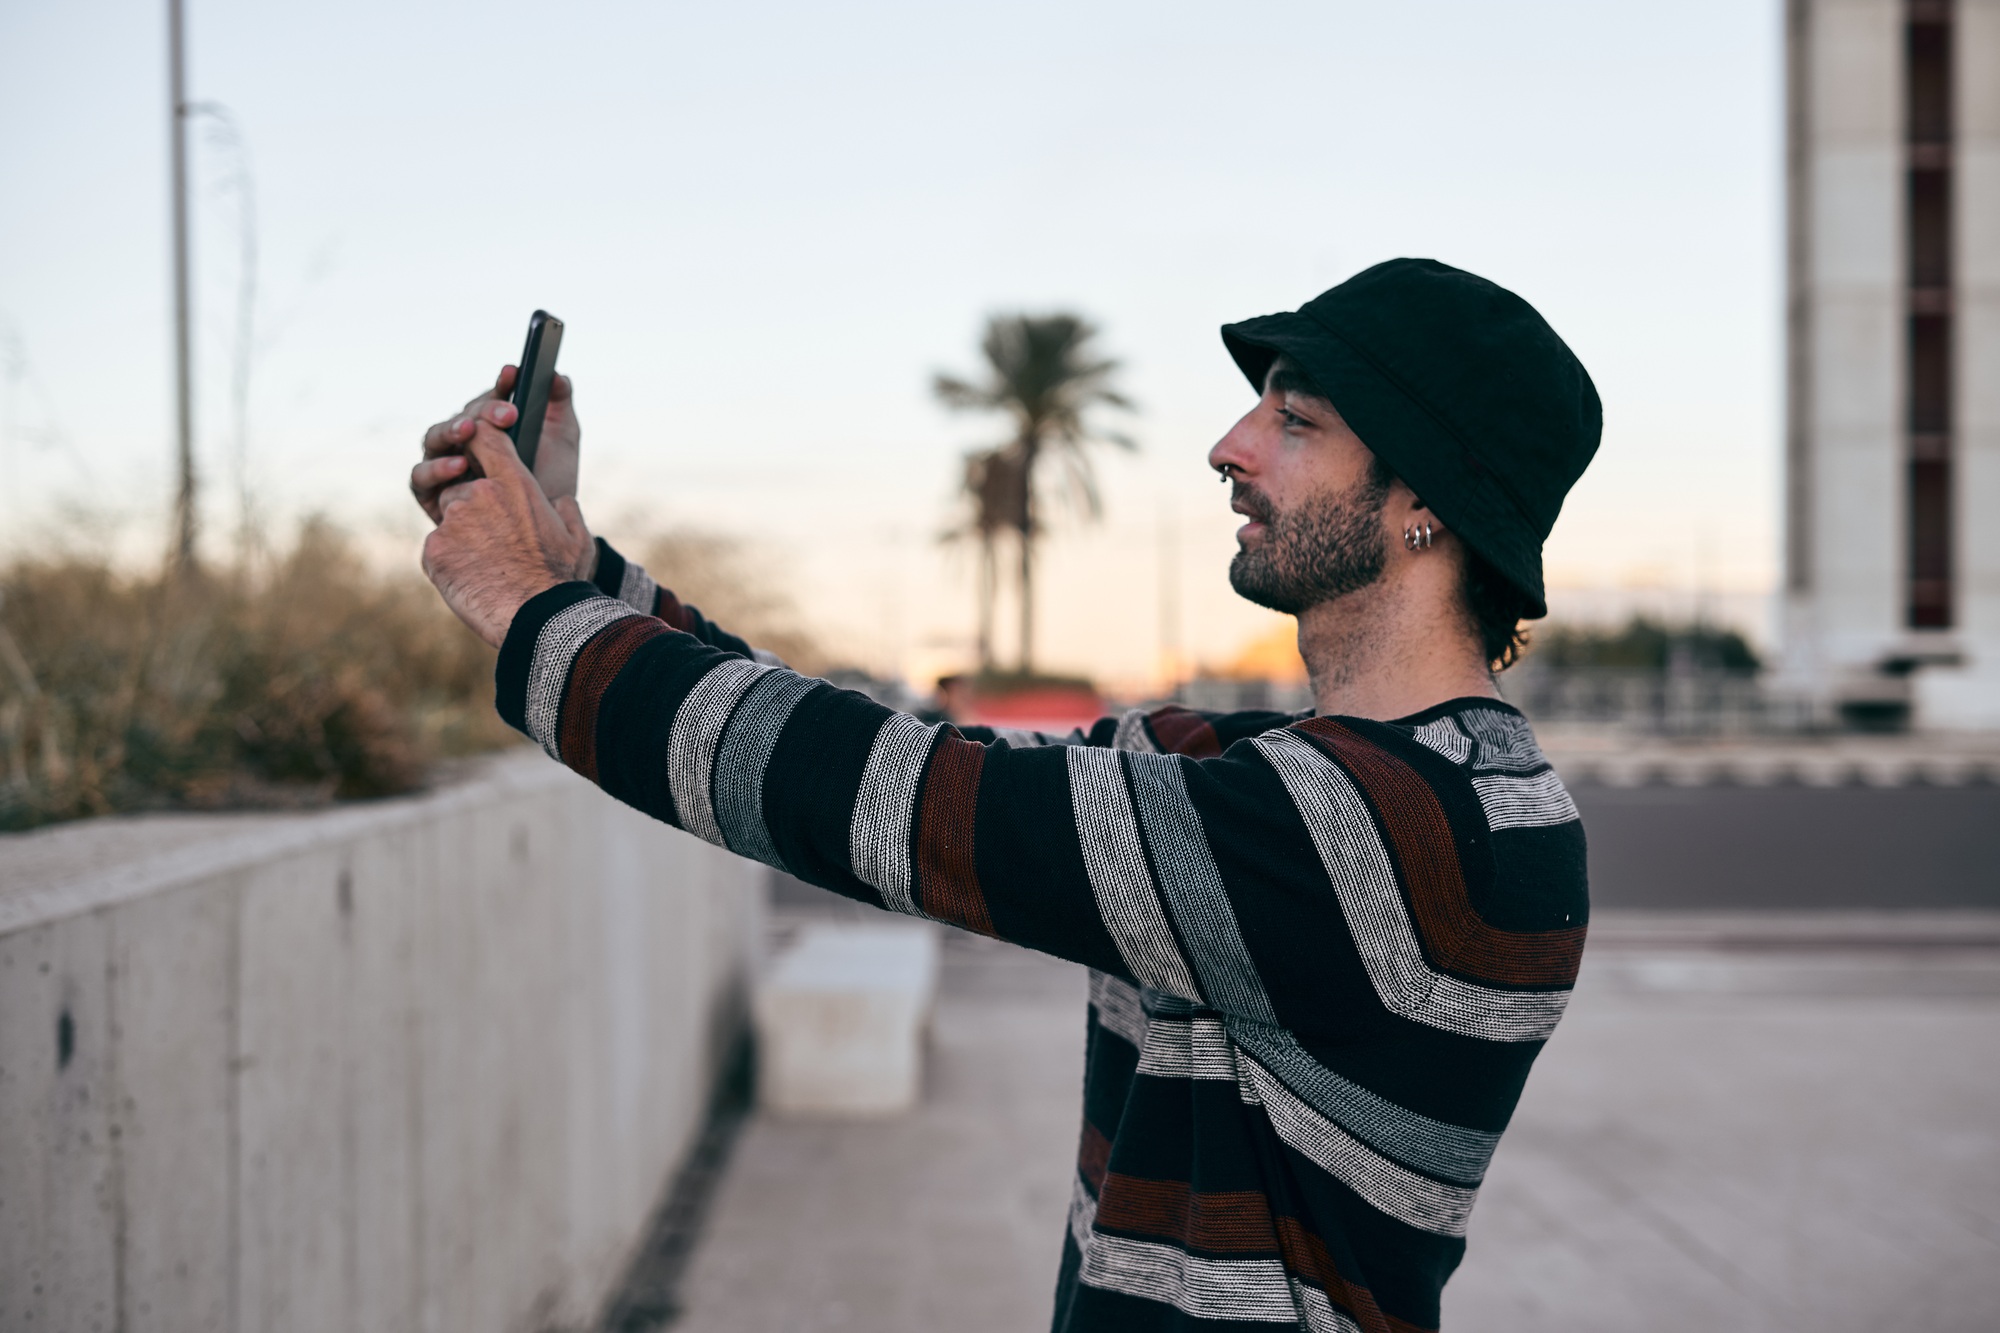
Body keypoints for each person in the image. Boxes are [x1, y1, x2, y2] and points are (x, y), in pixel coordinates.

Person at [411, 257, 1600, 1333]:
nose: (1229, 445)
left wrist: (530, 608)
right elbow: (894, 751)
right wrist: (575, 566)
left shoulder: (1390, 832)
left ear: (1421, 503)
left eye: (1294, 419)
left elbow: (887, 800)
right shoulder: (1286, 780)